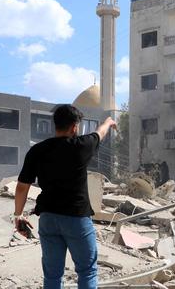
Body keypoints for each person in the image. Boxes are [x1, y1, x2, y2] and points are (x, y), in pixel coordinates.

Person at [13, 104, 116, 289]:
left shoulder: (37, 150)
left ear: (55, 124)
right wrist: (108, 122)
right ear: (75, 127)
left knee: (52, 276)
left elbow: (22, 187)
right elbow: (100, 133)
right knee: (87, 271)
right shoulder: (81, 146)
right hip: (76, 219)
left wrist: (18, 215)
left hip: (48, 218)